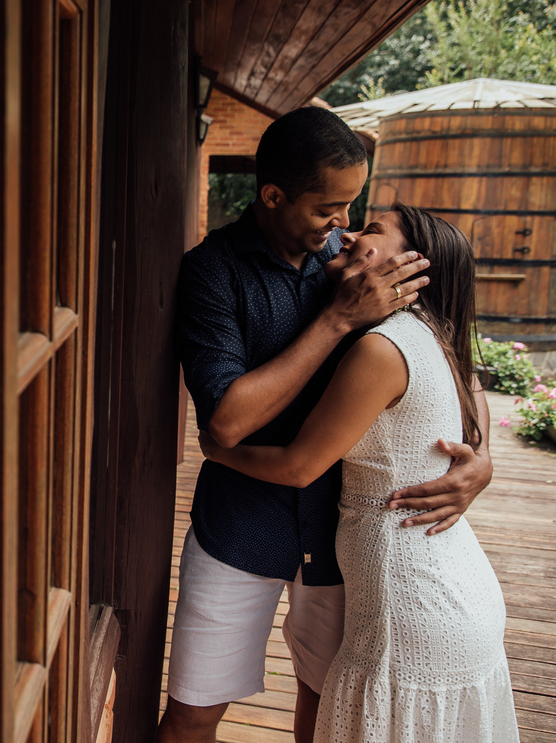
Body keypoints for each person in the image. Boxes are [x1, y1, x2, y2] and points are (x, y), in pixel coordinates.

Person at [157, 107, 492, 743]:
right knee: (192, 714)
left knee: (329, 704)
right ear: (273, 196)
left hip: (345, 541)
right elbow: (226, 421)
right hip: (239, 526)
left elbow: (448, 342)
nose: (342, 227)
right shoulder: (212, 271)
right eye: (328, 209)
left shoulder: (355, 260)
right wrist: (338, 321)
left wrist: (482, 457)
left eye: (352, 208)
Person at [199, 203, 518, 742]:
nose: (345, 232)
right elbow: (468, 376)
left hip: (411, 602)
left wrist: (216, 447)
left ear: (414, 266)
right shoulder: (427, 331)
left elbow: (300, 465)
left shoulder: (382, 347)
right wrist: (479, 453)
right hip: (454, 585)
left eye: (370, 229)